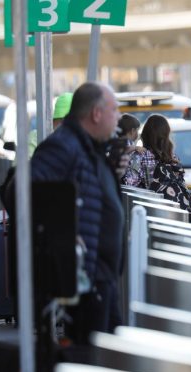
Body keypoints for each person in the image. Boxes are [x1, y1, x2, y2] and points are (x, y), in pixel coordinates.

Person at [30, 82, 126, 344]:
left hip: (100, 277)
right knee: (88, 356)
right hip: (83, 280)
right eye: (114, 110)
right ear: (96, 114)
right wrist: (63, 235)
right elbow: (26, 191)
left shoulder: (88, 147)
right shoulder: (64, 146)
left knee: (107, 354)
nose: (118, 117)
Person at [122, 114, 191, 220]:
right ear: (166, 136)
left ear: (145, 135)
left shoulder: (139, 156)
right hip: (179, 215)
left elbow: (129, 185)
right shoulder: (173, 157)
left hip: (154, 216)